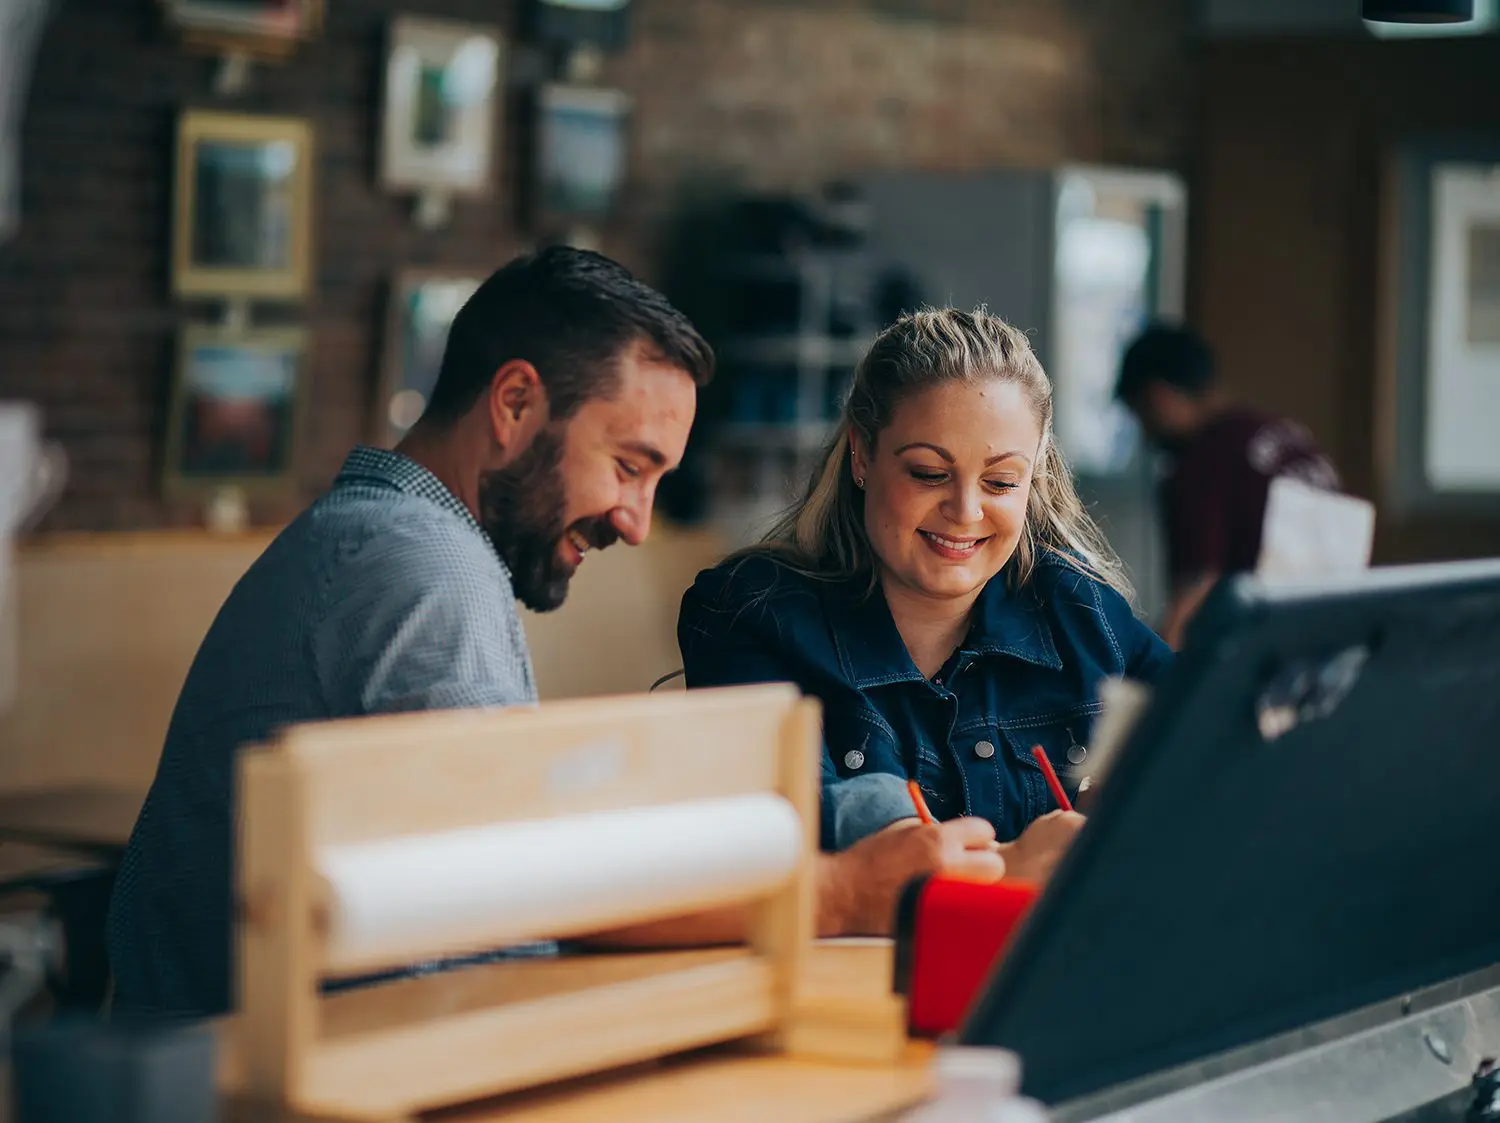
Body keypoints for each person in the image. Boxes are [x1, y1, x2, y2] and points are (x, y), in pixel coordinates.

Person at [105, 249, 1007, 1021]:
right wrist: (842, 893)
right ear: (513, 404)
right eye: (628, 465)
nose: (637, 522)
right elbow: (515, 895)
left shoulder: (369, 536)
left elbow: (510, 847)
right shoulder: (421, 564)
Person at [678, 308, 1173, 875]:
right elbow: (788, 828)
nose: (965, 511)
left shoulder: (1079, 610)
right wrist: (1009, 864)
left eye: (1000, 482)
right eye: (928, 473)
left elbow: (1215, 739)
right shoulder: (749, 614)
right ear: (862, 455)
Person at [1115, 323, 1341, 647]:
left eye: (1141, 416)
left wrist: (1153, 666)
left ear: (1159, 398)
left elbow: (1194, 595)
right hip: (1335, 637)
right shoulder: (1292, 439)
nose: (1146, 435)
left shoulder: (1202, 460)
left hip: (1265, 647)